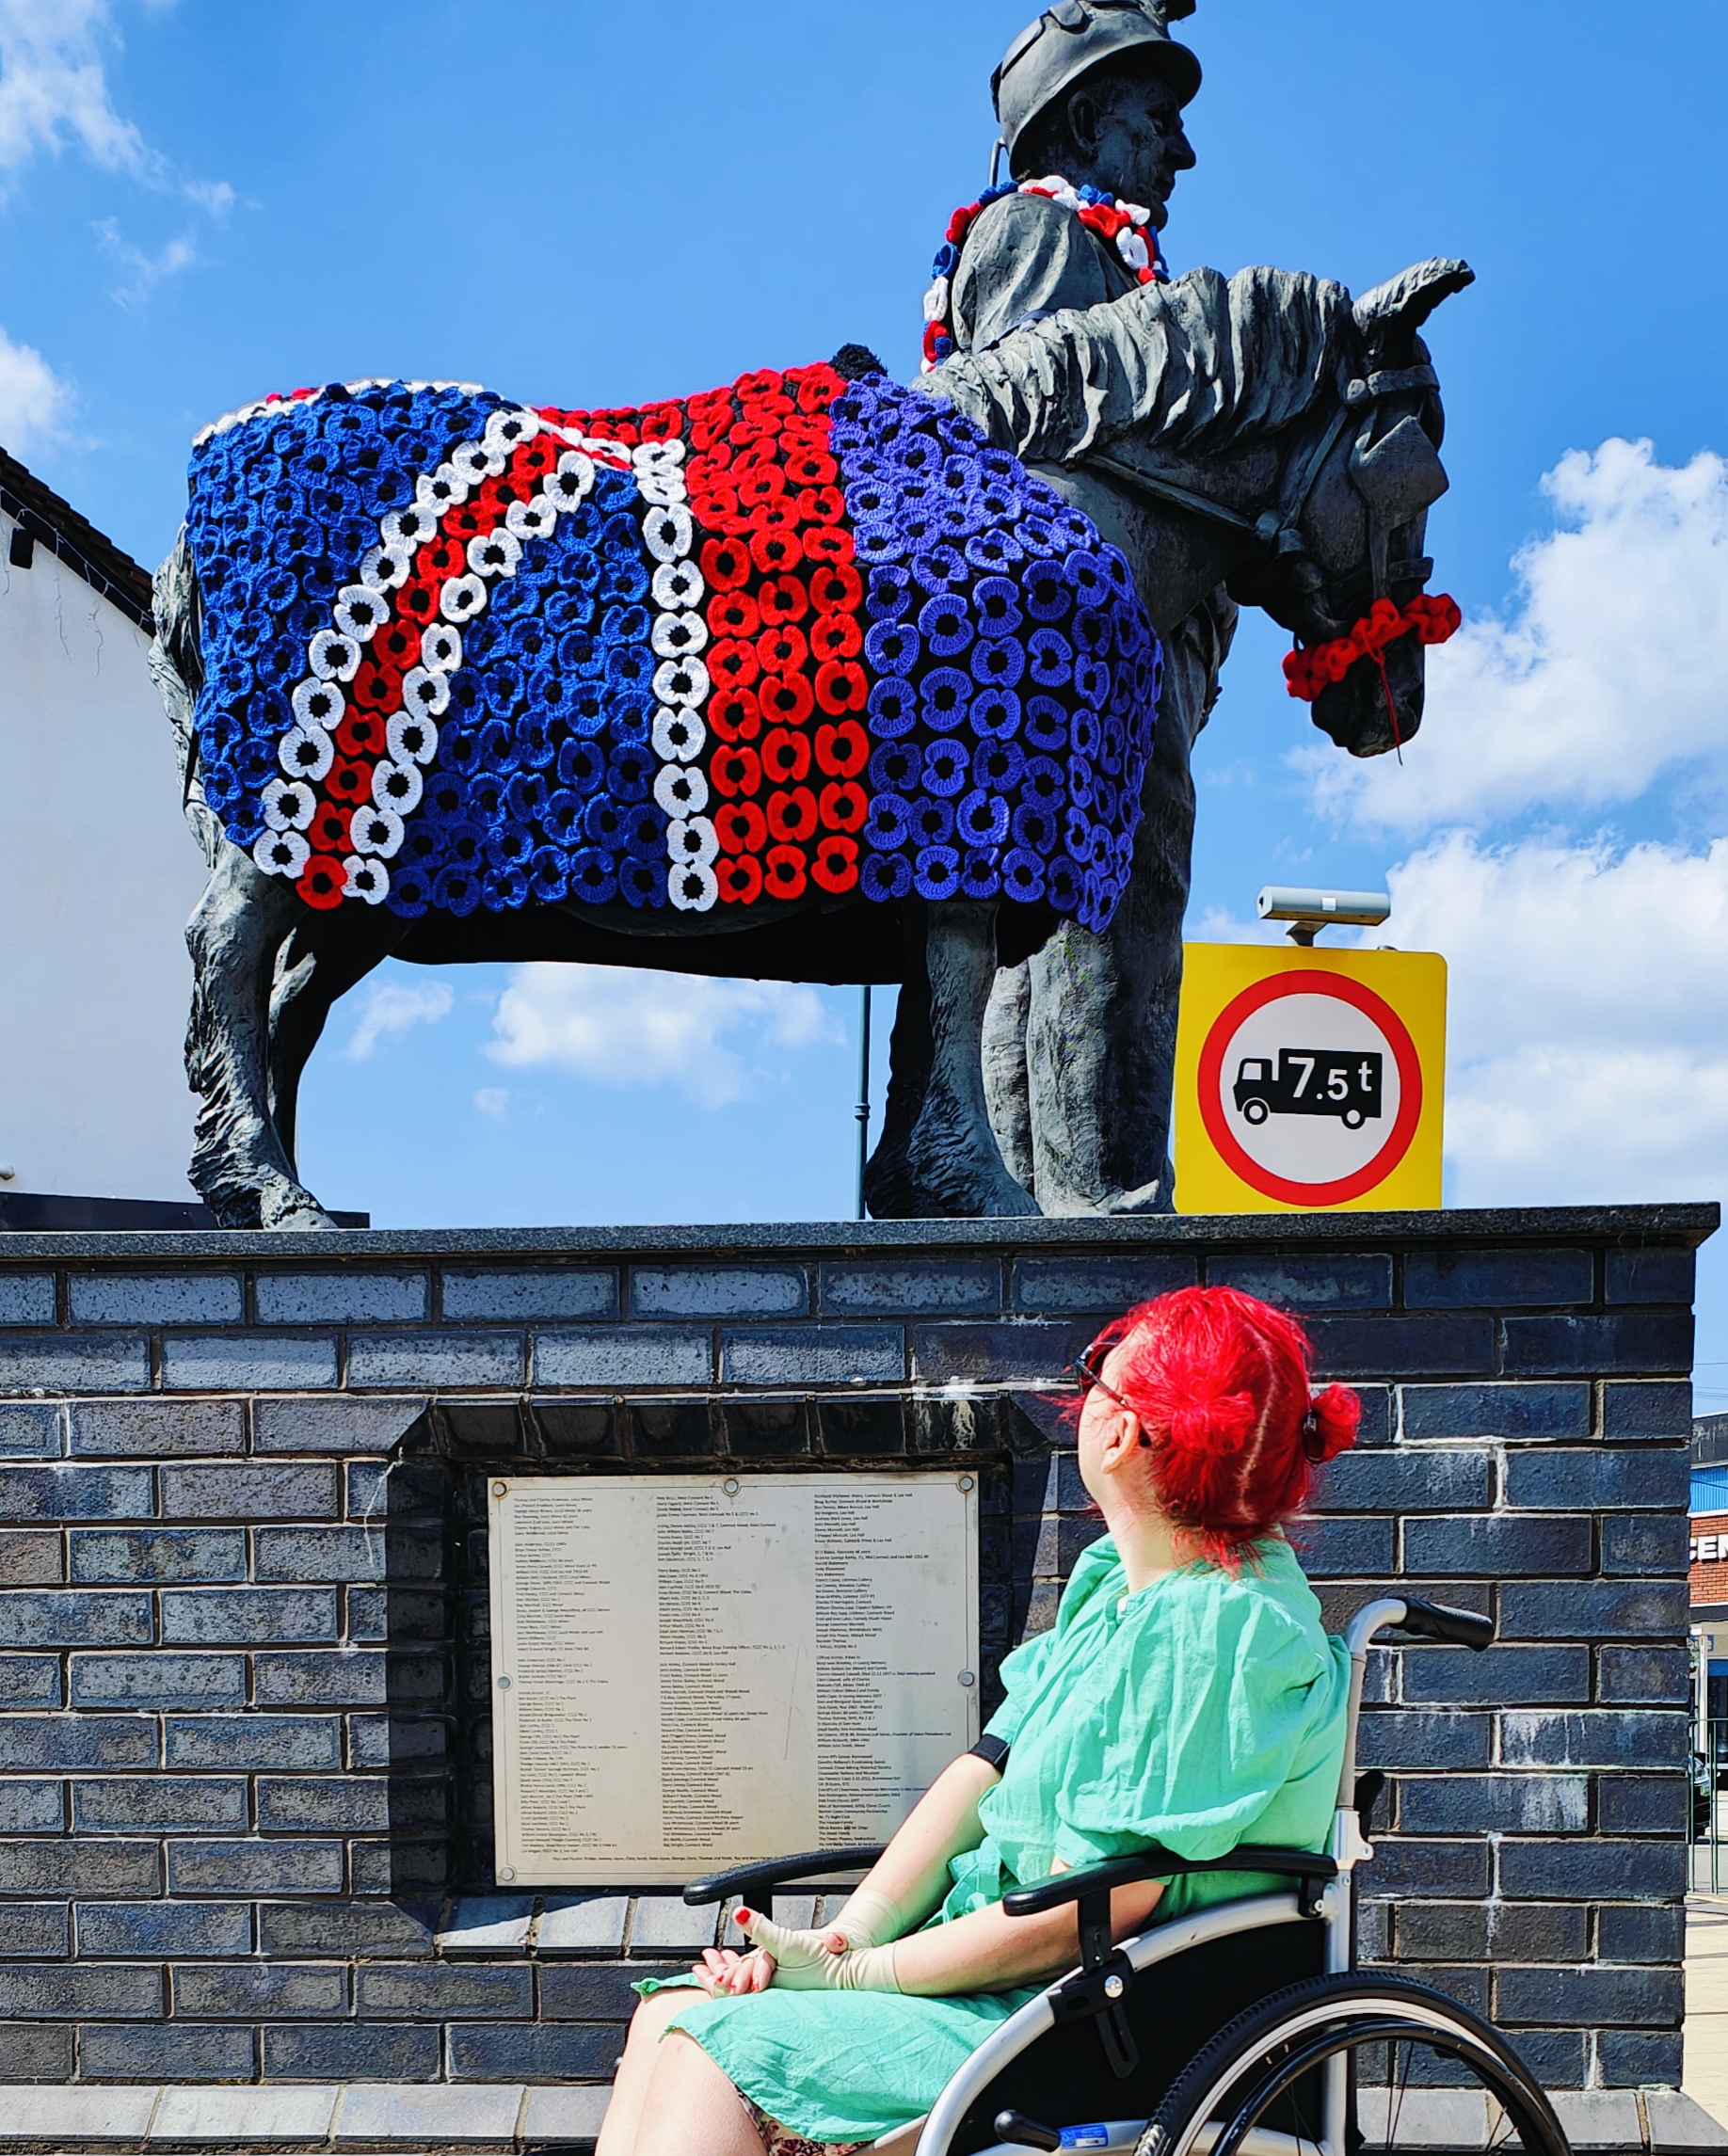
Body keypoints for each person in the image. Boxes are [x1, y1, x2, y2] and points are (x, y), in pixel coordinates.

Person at [598, 1286, 1360, 2156]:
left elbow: (1101, 1904)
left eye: (1095, 1380)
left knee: (712, 2050)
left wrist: (862, 1976)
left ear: (1122, 1433)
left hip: (1086, 2018)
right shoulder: (1122, 1586)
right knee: (673, 2008)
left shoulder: (1214, 1628)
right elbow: (985, 1766)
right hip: (1021, 1980)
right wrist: (849, 1931)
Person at [952, 3, 1240, 1219]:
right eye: (1155, 121)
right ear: (1082, 120)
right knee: (1100, 905)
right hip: (1081, 653)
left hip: (1121, 645)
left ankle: (1068, 1192)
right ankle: (1102, 1200)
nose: (1181, 155)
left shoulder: (1108, 248)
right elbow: (1031, 423)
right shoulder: (1036, 234)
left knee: (1107, 905)